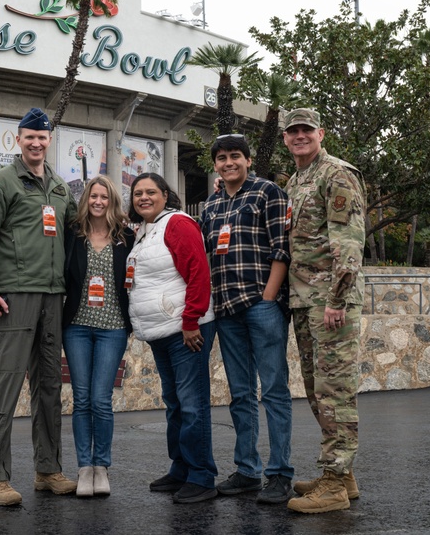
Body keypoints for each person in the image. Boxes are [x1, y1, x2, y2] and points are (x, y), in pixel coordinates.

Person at [0, 107, 79, 507]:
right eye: (29, 137)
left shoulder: (60, 188)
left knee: (49, 388)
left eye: (42, 137)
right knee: (2, 386)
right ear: (18, 140)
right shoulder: (0, 183)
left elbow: (77, 236)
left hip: (53, 297)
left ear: (50, 140)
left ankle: (48, 470)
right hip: (13, 298)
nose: (36, 143)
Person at [199, 134, 295, 505]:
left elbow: (281, 249)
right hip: (227, 310)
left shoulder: (268, 193)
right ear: (215, 164)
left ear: (248, 160)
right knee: (241, 394)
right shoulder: (210, 204)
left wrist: (268, 298)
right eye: (222, 157)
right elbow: (207, 254)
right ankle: (247, 470)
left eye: (235, 156)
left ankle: (280, 473)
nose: (229, 162)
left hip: (260, 306)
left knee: (273, 391)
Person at [281, 108, 366, 514]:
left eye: (307, 130)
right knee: (318, 392)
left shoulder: (337, 174)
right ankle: (343, 475)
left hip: (330, 302)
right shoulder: (296, 180)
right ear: (285, 138)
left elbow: (348, 242)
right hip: (304, 300)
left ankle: (333, 484)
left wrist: (337, 298)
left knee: (335, 392)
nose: (300, 136)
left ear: (321, 133)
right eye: (293, 131)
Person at [126, 172, 218, 504]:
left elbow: (198, 272)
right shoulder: (144, 231)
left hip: (186, 330)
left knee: (192, 404)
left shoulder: (177, 223)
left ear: (166, 195)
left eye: (151, 192)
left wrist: (191, 321)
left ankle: (202, 476)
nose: (144, 197)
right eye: (138, 193)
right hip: (161, 331)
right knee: (176, 403)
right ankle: (181, 469)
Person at [62, 175, 135, 498]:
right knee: (81, 399)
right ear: (86, 199)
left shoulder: (126, 236)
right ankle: (84, 468)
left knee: (101, 399)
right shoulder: (73, 234)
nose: (98, 201)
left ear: (112, 201)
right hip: (76, 326)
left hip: (113, 327)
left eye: (104, 197)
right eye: (93, 196)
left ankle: (101, 466)